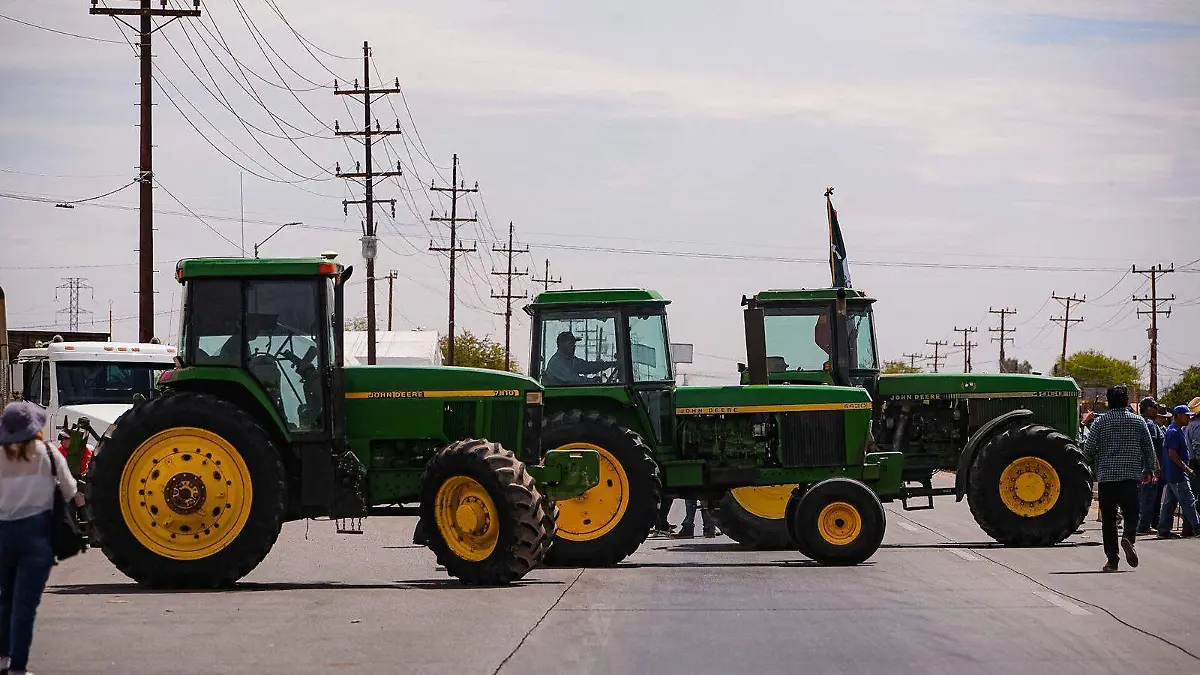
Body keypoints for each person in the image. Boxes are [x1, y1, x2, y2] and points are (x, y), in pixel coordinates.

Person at [0, 401, 80, 675]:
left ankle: (2, 659)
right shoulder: (47, 453)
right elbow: (70, 490)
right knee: (25, 605)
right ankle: (18, 669)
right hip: (37, 534)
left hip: (2, 532)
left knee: (4, 599)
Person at [1081, 385, 1154, 572]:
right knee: (1132, 514)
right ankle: (1128, 537)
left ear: (1108, 402)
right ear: (1127, 401)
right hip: (1130, 476)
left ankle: (1112, 561)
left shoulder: (1099, 423)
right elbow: (1148, 449)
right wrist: (1149, 470)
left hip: (1107, 478)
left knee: (1109, 520)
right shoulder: (1138, 422)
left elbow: (1087, 452)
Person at [1158, 404, 1199, 538]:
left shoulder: (1176, 430)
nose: (1189, 418)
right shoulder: (1174, 432)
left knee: (1169, 504)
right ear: (1179, 416)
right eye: (1186, 416)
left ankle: (1163, 530)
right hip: (1177, 474)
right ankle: (1198, 527)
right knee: (1188, 501)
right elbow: (1172, 453)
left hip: (1172, 474)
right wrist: (1186, 469)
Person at [1136, 397, 1165, 534]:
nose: (1156, 409)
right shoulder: (1150, 424)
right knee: (1149, 495)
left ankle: (1149, 523)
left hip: (1143, 466)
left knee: (1146, 495)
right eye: (1154, 407)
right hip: (1149, 467)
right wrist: (1155, 465)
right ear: (1148, 409)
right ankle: (1144, 526)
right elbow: (1150, 447)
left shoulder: (1142, 422)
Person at [542, 332, 617, 385]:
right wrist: (592, 381)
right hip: (559, 400)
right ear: (561, 345)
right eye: (570, 343)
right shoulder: (556, 362)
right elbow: (573, 380)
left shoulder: (571, 360)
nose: (574, 346)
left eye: (574, 344)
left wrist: (610, 364)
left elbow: (587, 366)